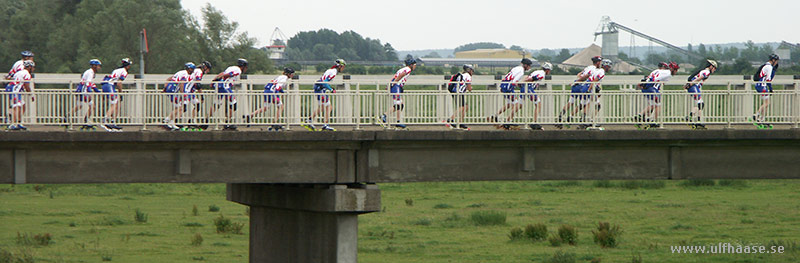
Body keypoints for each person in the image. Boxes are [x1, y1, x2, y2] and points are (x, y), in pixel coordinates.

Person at [556, 56, 602, 129]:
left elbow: (579, 74)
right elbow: (587, 77)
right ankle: (581, 120)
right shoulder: (594, 69)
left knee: (571, 102)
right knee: (585, 104)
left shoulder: (588, 67)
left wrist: (576, 82)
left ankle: (561, 117)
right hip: (583, 85)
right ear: (598, 62)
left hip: (576, 85)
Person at [490, 58, 533, 129]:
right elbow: (515, 81)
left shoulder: (517, 68)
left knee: (510, 104)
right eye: (529, 66)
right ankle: (508, 121)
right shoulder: (521, 71)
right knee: (517, 105)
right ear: (525, 65)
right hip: (508, 87)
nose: (529, 67)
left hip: (504, 85)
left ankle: (495, 116)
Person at [304, 59, 345, 131]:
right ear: (340, 66)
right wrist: (331, 89)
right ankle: (324, 124)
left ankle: (311, 120)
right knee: (327, 106)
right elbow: (324, 82)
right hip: (320, 88)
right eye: (343, 67)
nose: (343, 69)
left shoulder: (331, 70)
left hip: (319, 88)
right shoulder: (334, 72)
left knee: (324, 107)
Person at [635, 61, 678, 129]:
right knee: (658, 105)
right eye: (676, 70)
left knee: (653, 105)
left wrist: (643, 85)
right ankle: (652, 121)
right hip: (651, 88)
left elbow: (649, 77)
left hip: (648, 87)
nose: (676, 72)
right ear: (672, 69)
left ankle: (640, 115)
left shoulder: (657, 71)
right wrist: (646, 85)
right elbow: (654, 79)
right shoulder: (668, 73)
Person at [210, 58, 248, 130]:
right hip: (225, 86)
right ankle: (227, 123)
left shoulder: (231, 67)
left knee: (217, 104)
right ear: (243, 66)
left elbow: (222, 73)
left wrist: (214, 80)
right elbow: (228, 75)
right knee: (233, 104)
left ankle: (206, 119)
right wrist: (221, 78)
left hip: (220, 86)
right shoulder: (238, 70)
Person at [380, 58, 417, 129]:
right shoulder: (408, 69)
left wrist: (389, 85)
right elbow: (401, 75)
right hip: (397, 86)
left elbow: (394, 76)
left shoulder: (402, 69)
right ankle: (384, 115)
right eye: (415, 65)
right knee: (398, 104)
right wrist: (393, 84)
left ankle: (398, 121)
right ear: (411, 65)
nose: (415, 67)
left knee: (401, 105)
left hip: (397, 86)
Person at [68, 59, 102, 130]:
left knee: (79, 106)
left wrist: (96, 90)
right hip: (84, 90)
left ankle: (66, 117)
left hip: (80, 89)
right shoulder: (90, 72)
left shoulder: (89, 72)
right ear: (94, 66)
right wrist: (89, 92)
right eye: (98, 66)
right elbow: (88, 83)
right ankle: (86, 121)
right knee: (92, 106)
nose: (99, 67)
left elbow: (90, 83)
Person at [99, 58, 132, 131]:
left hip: (107, 84)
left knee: (116, 103)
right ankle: (105, 120)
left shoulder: (117, 70)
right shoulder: (124, 72)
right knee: (114, 104)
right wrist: (121, 93)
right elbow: (119, 83)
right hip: (109, 85)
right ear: (128, 66)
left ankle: (113, 121)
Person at [684, 59, 718, 130]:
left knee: (699, 104)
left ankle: (690, 117)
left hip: (694, 87)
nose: (714, 70)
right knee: (700, 104)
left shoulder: (703, 70)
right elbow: (700, 78)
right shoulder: (707, 72)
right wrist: (690, 84)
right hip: (694, 86)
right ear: (711, 66)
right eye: (714, 68)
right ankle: (697, 121)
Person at [163, 62, 196, 130]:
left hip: (170, 89)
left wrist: (165, 88)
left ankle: (172, 122)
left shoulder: (180, 72)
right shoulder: (185, 74)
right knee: (180, 107)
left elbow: (169, 78)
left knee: (178, 107)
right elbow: (181, 83)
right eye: (192, 69)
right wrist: (183, 93)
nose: (192, 70)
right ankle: (166, 120)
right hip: (173, 90)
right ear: (188, 68)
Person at [4, 51, 34, 122]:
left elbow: (10, 75)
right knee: (17, 106)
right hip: (15, 88)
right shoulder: (23, 69)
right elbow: (26, 84)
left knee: (21, 105)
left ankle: (18, 121)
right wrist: (30, 94)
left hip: (15, 87)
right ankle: (13, 122)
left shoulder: (17, 63)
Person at [753, 54, 779, 129]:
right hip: (762, 86)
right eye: (776, 61)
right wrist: (771, 89)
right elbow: (768, 79)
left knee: (766, 103)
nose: (777, 63)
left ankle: (762, 119)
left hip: (760, 85)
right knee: (766, 103)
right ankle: (756, 115)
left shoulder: (765, 65)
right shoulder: (769, 67)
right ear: (773, 60)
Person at [522, 62, 552, 130]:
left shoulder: (538, 71)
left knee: (519, 104)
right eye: (549, 70)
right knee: (538, 104)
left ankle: (508, 120)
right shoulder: (542, 74)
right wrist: (525, 81)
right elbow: (532, 78)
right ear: (547, 70)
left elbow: (528, 76)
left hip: (526, 87)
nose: (549, 72)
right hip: (528, 88)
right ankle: (534, 122)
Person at [445, 64, 473, 130]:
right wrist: (470, 89)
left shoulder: (462, 75)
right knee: (462, 107)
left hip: (456, 92)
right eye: (472, 70)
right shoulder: (467, 76)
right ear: (469, 70)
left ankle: (460, 122)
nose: (472, 72)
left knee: (465, 107)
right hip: (459, 93)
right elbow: (469, 87)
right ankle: (450, 120)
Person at [185, 61, 212, 130]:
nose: (208, 71)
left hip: (190, 91)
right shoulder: (199, 71)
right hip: (188, 91)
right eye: (208, 69)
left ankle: (191, 121)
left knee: (197, 104)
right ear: (205, 67)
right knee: (183, 107)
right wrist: (202, 95)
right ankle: (174, 121)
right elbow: (198, 84)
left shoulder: (196, 70)